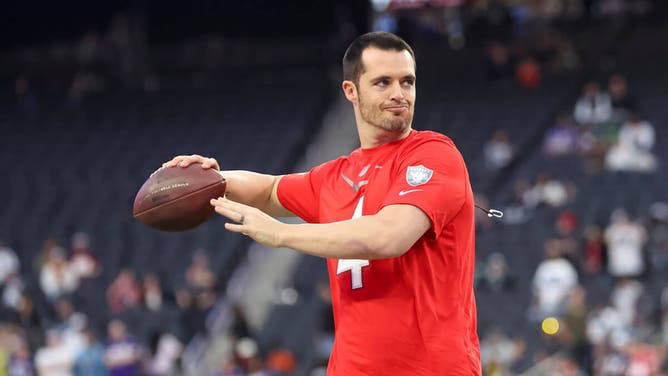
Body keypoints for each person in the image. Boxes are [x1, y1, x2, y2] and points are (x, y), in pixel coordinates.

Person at [161, 32, 481, 375]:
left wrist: (282, 235)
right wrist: (213, 177)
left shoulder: (433, 154)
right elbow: (269, 190)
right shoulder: (335, 177)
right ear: (351, 91)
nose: (398, 94)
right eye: (383, 82)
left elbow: (389, 236)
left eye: (407, 81)